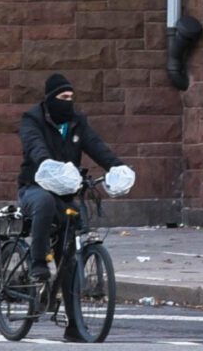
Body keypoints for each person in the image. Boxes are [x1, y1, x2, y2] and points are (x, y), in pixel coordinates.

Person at [18, 72, 121, 300]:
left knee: (70, 249)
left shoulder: (76, 121)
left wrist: (117, 167)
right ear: (51, 98)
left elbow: (96, 146)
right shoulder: (32, 119)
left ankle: (74, 325)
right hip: (35, 187)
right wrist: (47, 165)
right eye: (63, 97)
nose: (68, 102)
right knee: (44, 202)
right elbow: (35, 145)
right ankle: (38, 264)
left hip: (66, 190)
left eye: (71, 97)